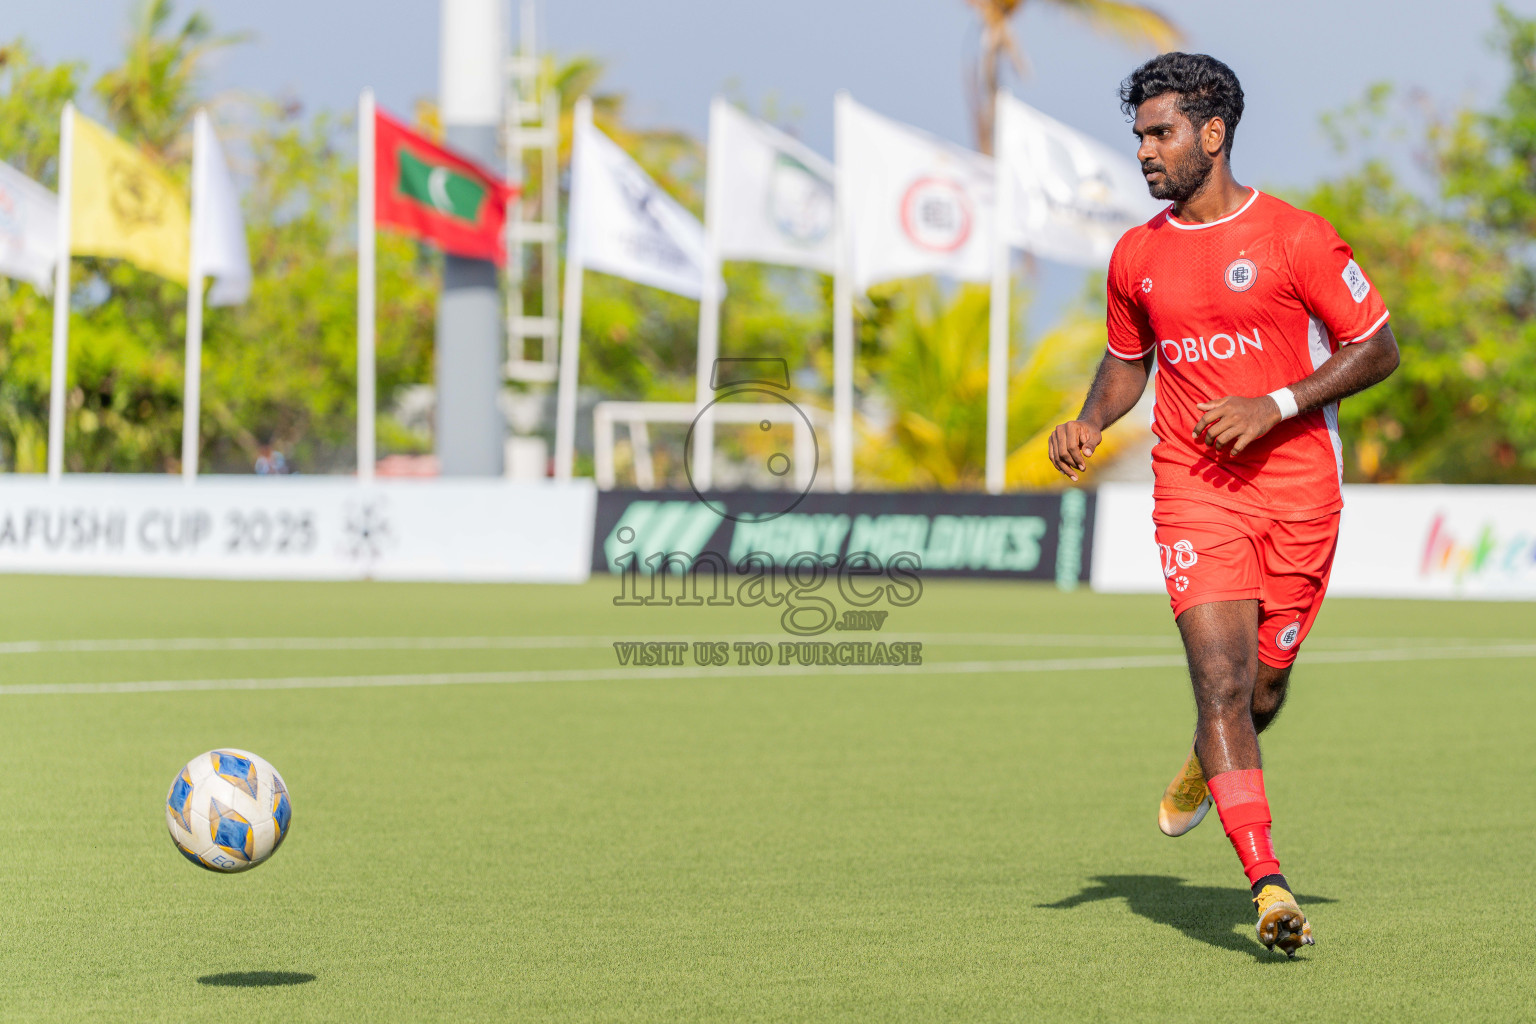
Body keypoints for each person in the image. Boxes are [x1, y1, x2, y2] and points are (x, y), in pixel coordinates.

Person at [1047, 52, 1399, 956]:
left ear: (1213, 134)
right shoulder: (1138, 254)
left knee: (1265, 687)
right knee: (1221, 683)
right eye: (1139, 136)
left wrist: (1275, 404)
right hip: (1194, 490)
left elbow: (1377, 347)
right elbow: (1130, 360)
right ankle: (1269, 886)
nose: (1144, 152)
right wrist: (1090, 418)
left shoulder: (1297, 238)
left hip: (1298, 492)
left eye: (1160, 134)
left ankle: (1207, 764)